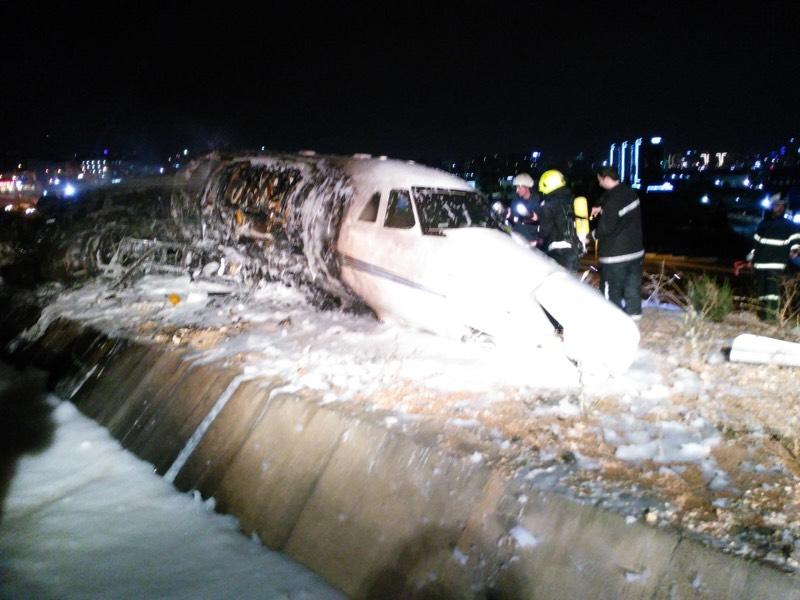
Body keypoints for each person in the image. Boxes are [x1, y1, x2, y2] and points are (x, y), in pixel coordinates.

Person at [590, 166, 644, 319]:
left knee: (612, 290)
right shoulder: (629, 193)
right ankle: (634, 315)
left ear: (606, 178)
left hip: (615, 255)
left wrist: (590, 236)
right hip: (635, 252)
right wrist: (600, 205)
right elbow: (610, 200)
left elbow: (605, 228)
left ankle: (613, 319)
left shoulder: (612, 201)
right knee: (632, 287)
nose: (599, 184)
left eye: (600, 180)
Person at [747, 194, 800, 320]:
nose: (778, 208)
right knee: (762, 293)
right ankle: (763, 316)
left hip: (776, 264)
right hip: (760, 264)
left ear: (784, 207)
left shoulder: (790, 226)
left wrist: (794, 251)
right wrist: (750, 259)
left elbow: (795, 243)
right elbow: (755, 244)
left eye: (781, 206)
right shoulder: (763, 225)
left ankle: (770, 318)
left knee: (772, 293)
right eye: (776, 205)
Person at [537, 169, 580, 271]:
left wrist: (538, 225)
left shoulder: (549, 204)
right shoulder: (570, 199)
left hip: (558, 253)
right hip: (574, 249)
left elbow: (544, 232)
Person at [508, 172, 541, 248]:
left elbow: (542, 223)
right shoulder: (515, 201)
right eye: (516, 187)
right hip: (517, 241)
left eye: (519, 187)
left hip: (532, 243)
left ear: (527, 187)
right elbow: (513, 221)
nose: (517, 190)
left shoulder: (538, 201)